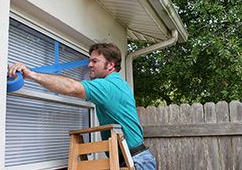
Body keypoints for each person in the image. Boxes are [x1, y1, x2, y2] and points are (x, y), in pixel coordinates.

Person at [9, 43, 156, 170]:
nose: (89, 65)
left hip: (135, 162)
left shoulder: (108, 86)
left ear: (110, 65)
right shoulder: (118, 84)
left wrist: (31, 75)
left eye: (94, 61)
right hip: (131, 159)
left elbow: (72, 88)